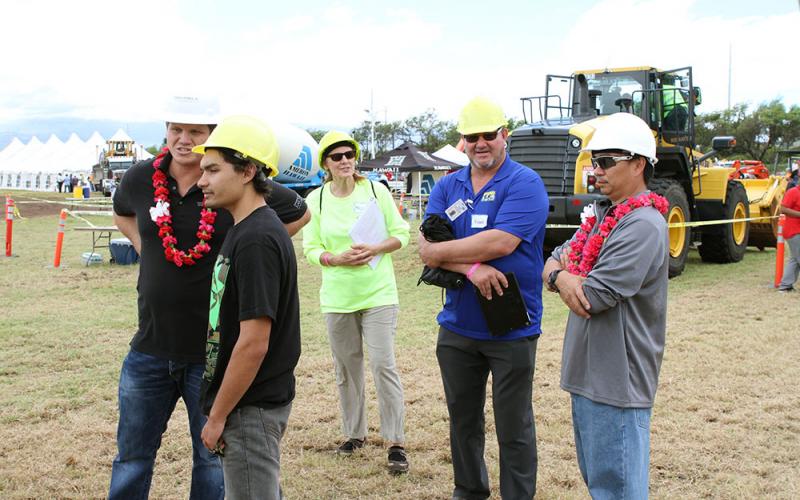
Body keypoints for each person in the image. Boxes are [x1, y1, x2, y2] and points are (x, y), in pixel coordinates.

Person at [108, 96, 310, 499]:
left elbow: (300, 212)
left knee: (213, 459)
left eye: (196, 132)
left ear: (214, 138)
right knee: (132, 456)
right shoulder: (140, 178)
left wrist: (249, 262)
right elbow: (122, 211)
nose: (184, 139)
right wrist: (146, 249)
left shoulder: (249, 217)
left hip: (214, 354)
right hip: (150, 345)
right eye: (176, 129)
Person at [418, 97, 549, 499]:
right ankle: (469, 491)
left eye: (488, 135)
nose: (480, 144)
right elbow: (428, 244)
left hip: (511, 326)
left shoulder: (525, 182)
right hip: (458, 325)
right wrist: (471, 269)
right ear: (462, 141)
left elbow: (501, 241)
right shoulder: (447, 185)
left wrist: (440, 253)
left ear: (503, 135)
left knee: (514, 427)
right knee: (463, 421)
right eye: (471, 137)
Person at [542, 112, 669, 499]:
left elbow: (592, 298)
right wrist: (560, 275)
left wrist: (559, 275)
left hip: (617, 378)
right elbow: (552, 260)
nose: (596, 170)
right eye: (594, 161)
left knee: (618, 490)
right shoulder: (602, 215)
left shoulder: (642, 224)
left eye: (606, 161)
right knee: (601, 484)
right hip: (589, 373)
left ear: (638, 163)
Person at [193, 115, 301, 499]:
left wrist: (218, 416)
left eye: (212, 169)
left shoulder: (256, 238)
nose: (201, 180)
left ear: (248, 171)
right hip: (244, 403)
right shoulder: (246, 228)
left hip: (249, 407)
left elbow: (254, 342)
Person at [302, 130, 411, 474]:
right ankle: (354, 435)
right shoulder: (315, 200)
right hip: (337, 298)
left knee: (383, 365)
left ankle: (395, 442)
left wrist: (376, 248)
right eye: (337, 156)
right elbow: (310, 249)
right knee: (346, 370)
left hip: (378, 293)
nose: (345, 160)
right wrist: (335, 259)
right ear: (326, 165)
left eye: (349, 154)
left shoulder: (376, 190)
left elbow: (402, 234)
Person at [778, 181, 800, 292]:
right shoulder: (793, 192)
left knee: (795, 259)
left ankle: (786, 285)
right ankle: (785, 285)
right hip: (793, 231)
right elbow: (783, 209)